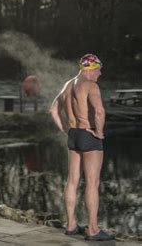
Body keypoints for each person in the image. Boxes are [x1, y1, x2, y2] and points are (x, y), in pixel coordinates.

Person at [49, 54, 114, 241]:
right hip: (89, 134)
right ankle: (93, 229)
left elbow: (53, 110)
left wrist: (65, 129)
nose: (100, 73)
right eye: (99, 69)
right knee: (92, 183)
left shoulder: (68, 85)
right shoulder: (90, 85)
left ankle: (70, 225)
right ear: (90, 69)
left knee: (72, 180)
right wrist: (99, 133)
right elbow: (100, 111)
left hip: (74, 134)